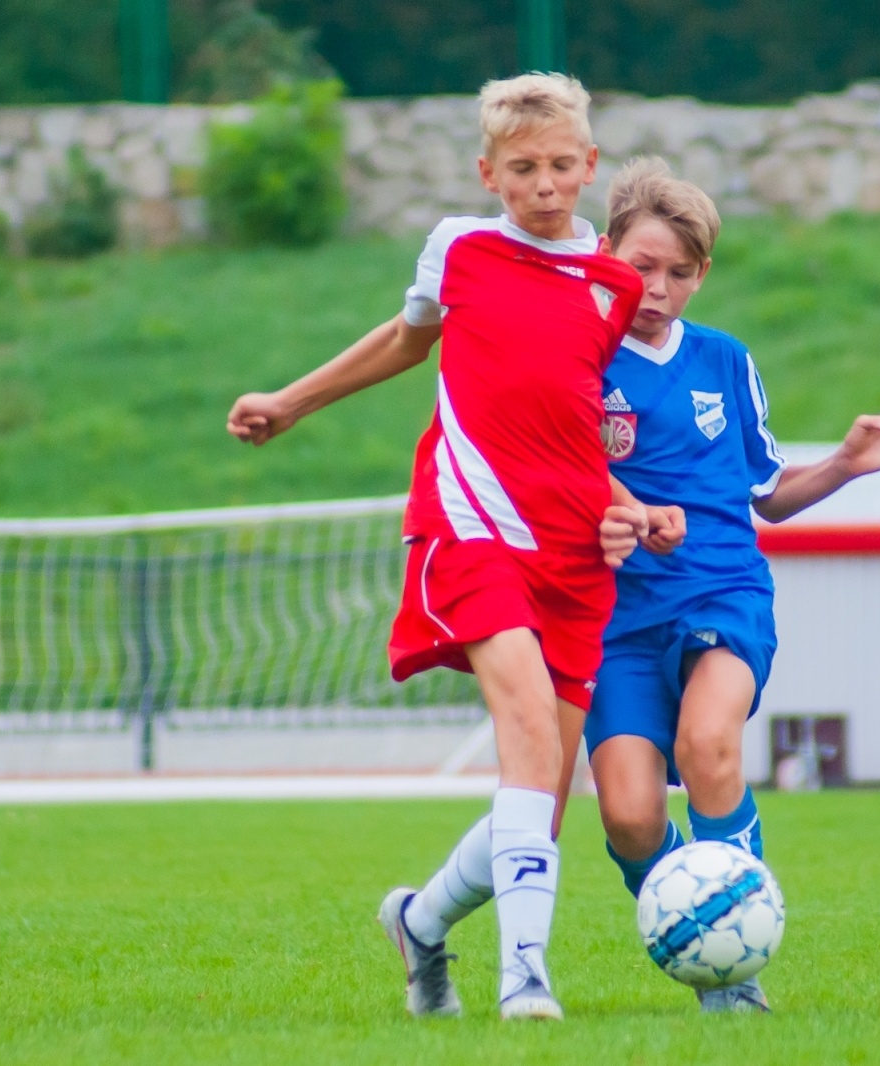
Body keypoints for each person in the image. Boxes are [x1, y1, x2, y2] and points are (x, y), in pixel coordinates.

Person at [226, 73, 652, 1021]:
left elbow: (573, 416)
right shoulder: (460, 248)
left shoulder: (614, 285)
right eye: (522, 168)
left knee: (541, 796)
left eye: (560, 165)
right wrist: (290, 402)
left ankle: (420, 924)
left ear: (590, 164)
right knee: (527, 735)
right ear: (489, 175)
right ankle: (526, 979)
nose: (544, 184)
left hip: (576, 554)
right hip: (470, 526)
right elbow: (405, 341)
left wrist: (631, 506)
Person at [588, 158, 880, 1011]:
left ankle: (734, 966)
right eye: (642, 266)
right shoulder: (576, 360)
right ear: (605, 253)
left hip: (722, 590)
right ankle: (687, 918)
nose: (658, 288)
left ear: (702, 273)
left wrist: (846, 465)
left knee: (707, 743)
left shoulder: (724, 360)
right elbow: (556, 471)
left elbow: (769, 495)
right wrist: (624, 512)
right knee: (630, 817)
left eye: (680, 272)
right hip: (616, 614)